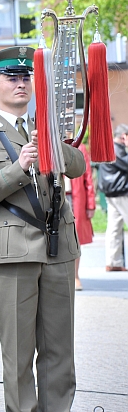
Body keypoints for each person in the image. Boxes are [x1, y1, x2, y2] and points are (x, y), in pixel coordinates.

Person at [0, 46, 84, 412]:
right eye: (10, 79)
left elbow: (77, 166)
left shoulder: (46, 125)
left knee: (60, 346)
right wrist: (19, 167)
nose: (20, 84)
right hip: (15, 251)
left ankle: (57, 410)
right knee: (17, 349)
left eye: (25, 77)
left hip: (58, 247)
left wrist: (52, 143)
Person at [96, 124, 128, 272]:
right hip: (120, 191)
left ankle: (113, 262)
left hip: (111, 192)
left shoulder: (110, 147)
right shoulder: (118, 149)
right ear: (124, 136)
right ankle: (113, 262)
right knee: (114, 228)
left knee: (114, 228)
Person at [69, 143, 95, 289]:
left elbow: (88, 177)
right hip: (55, 194)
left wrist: (90, 203)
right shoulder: (49, 141)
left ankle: (75, 275)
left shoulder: (80, 147)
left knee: (75, 237)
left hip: (75, 197)